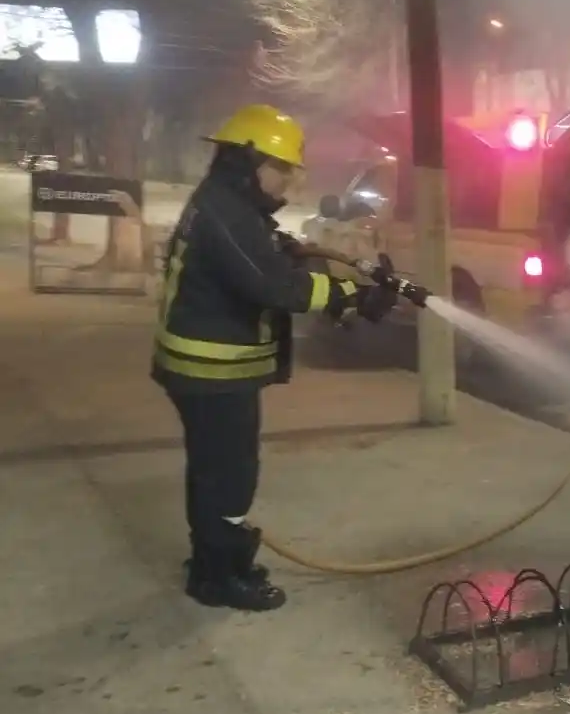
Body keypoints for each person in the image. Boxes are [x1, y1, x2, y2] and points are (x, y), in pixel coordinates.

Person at [153, 104, 397, 612]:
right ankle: (218, 578)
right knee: (229, 475)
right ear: (248, 160)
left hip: (207, 366)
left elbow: (260, 260)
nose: (288, 181)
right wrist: (348, 296)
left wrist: (286, 246)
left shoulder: (230, 207)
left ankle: (213, 560)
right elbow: (270, 285)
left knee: (214, 470)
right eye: (281, 167)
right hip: (210, 370)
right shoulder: (227, 214)